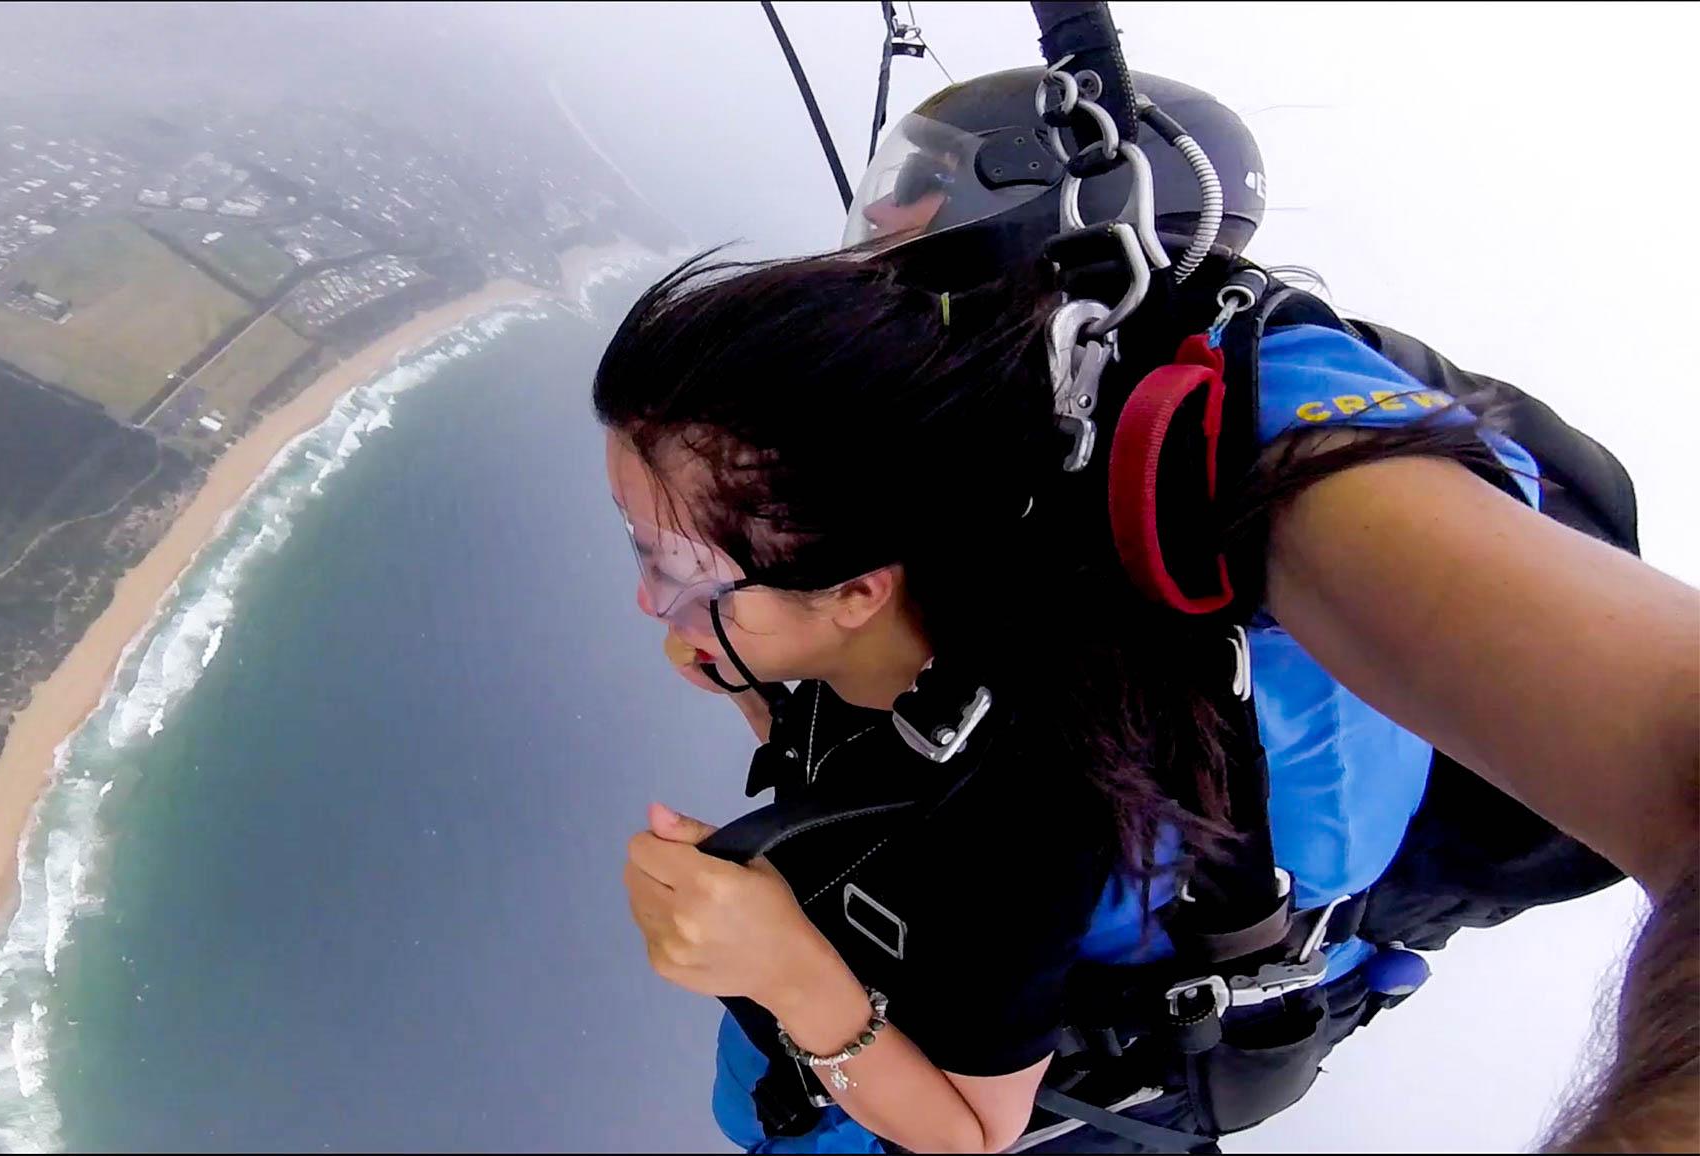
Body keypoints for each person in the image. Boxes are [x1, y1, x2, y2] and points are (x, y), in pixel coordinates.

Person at [603, 67, 1698, 1154]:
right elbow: (890, 755)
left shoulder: (1028, 791)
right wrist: (759, 680)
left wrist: (782, 966)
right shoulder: (953, 534)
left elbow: (969, 1132)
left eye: (680, 565)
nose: (876, 222)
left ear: (853, 589)